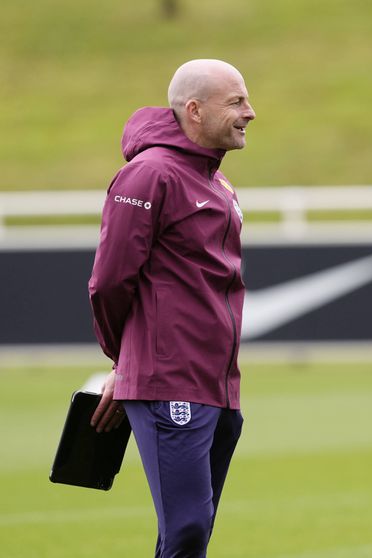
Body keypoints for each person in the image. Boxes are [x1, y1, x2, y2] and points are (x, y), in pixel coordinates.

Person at [88, 59, 255, 557]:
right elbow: (109, 281)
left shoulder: (218, 183)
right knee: (186, 529)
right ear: (195, 110)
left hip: (218, 383)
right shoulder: (149, 175)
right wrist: (125, 361)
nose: (250, 112)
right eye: (237, 102)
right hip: (169, 380)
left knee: (189, 531)